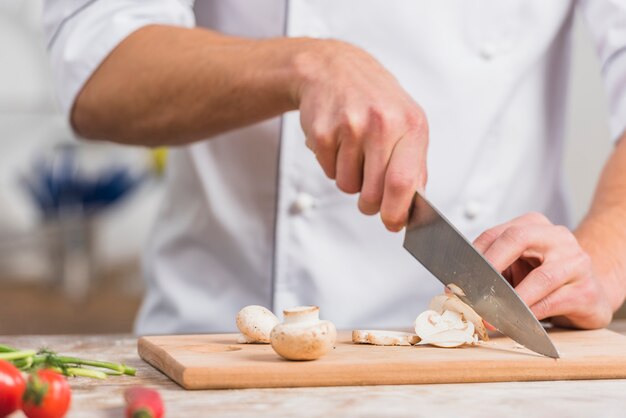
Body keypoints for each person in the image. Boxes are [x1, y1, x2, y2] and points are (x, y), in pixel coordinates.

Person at [43, 1, 626, 334]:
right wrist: (303, 64)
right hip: (222, 345)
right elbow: (96, 63)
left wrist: (597, 262)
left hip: (490, 357)